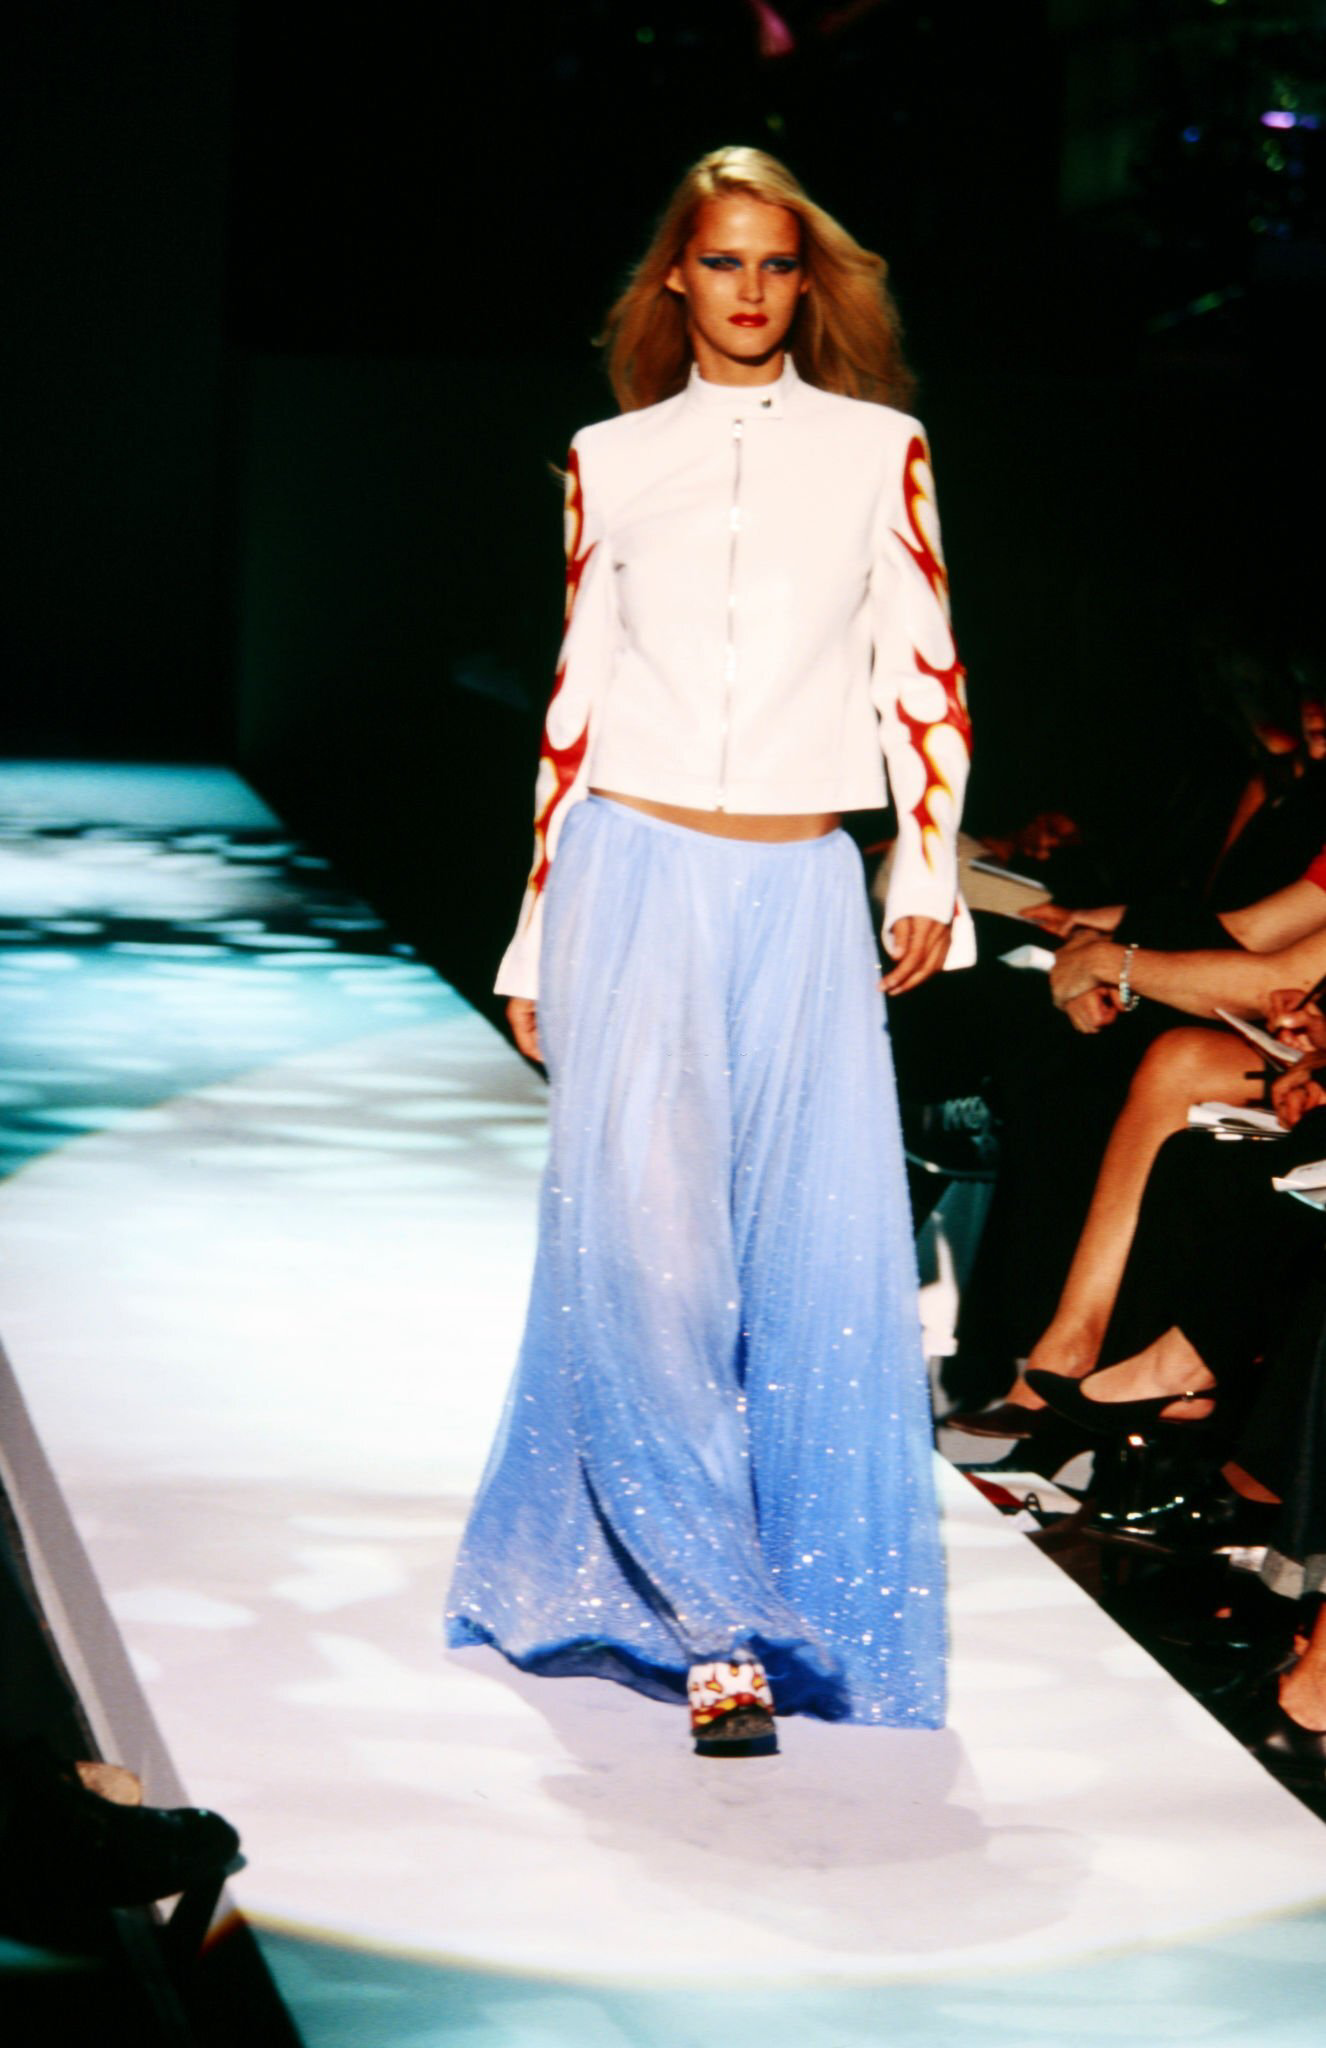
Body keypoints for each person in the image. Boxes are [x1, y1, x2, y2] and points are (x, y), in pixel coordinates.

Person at [445, 146, 972, 1756]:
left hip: (799, 888)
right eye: (722, 261)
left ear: (807, 283)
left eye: (774, 264)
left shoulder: (879, 450)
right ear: (676, 275)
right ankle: (714, 1626)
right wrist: (532, 934)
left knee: (807, 1257)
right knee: (649, 1246)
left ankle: (777, 1584)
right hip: (633, 872)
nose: (749, 290)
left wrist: (926, 865)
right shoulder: (611, 460)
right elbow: (575, 701)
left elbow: (922, 670)